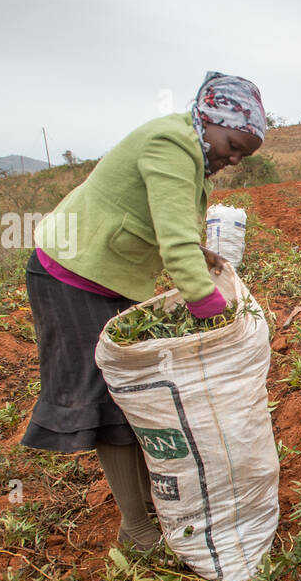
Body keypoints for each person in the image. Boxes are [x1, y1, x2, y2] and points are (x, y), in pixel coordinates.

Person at [20, 71, 266, 548]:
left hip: (112, 273)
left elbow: (166, 221)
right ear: (210, 119)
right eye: (234, 144)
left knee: (133, 396)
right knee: (113, 402)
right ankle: (135, 529)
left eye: (243, 154)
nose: (234, 158)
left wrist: (200, 254)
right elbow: (172, 244)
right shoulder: (171, 144)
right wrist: (215, 315)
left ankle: (150, 505)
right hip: (73, 274)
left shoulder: (191, 149)